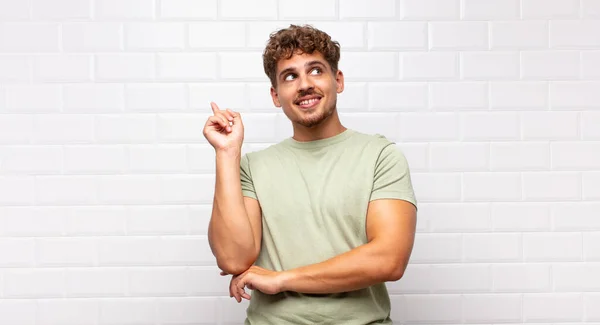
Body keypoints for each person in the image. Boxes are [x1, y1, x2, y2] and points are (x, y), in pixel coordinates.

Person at [203, 24, 417, 325]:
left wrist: (283, 279)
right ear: (276, 95)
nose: (304, 84)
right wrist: (226, 154)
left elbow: (389, 260)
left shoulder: (380, 156)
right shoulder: (252, 166)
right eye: (290, 76)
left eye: (315, 70)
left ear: (337, 80)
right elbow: (233, 259)